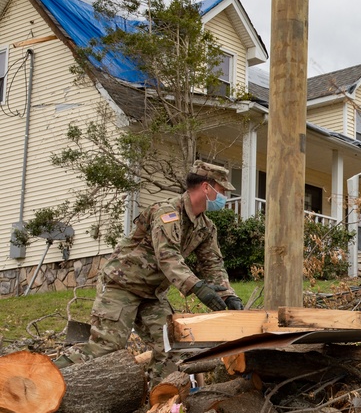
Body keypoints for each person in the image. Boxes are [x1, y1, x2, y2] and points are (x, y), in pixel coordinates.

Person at [56, 161, 243, 379]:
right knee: (106, 348)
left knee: (170, 346)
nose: (224, 197)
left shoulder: (206, 227)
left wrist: (228, 295)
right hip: (122, 285)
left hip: (152, 294)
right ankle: (41, 377)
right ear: (206, 187)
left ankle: (159, 404)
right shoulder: (167, 213)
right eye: (221, 191)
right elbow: (167, 256)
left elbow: (213, 266)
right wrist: (197, 287)